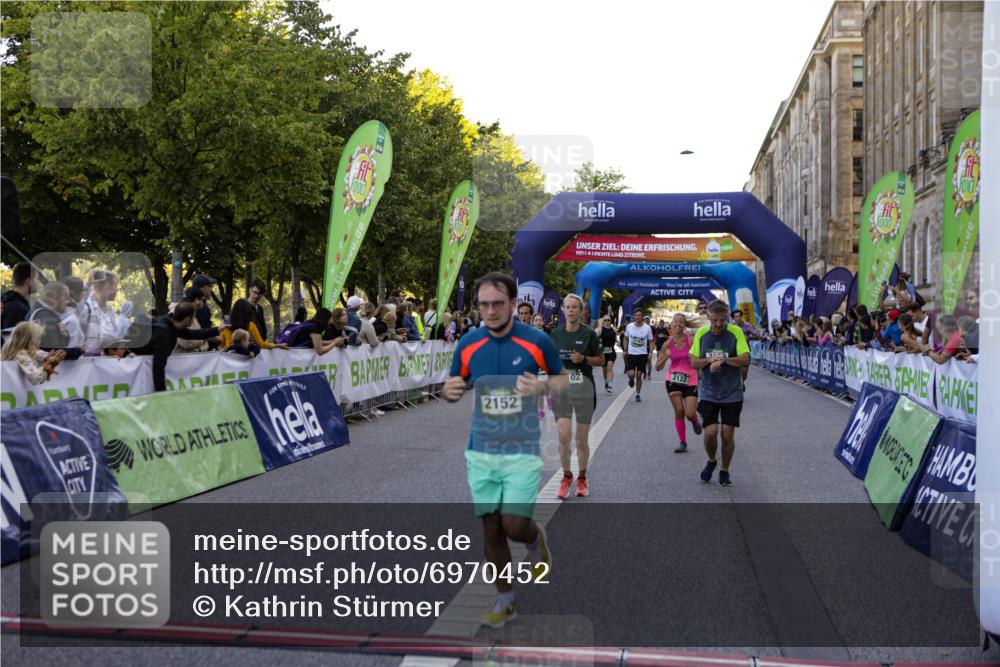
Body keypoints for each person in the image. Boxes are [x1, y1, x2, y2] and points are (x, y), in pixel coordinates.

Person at [441, 272, 566, 629]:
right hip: (480, 449)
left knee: (513, 525)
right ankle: (506, 600)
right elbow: (458, 381)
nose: (491, 311)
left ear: (513, 304)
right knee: (491, 529)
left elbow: (561, 380)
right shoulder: (468, 343)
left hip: (522, 447)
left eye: (498, 303)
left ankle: (533, 538)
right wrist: (451, 390)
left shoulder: (536, 340)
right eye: (484, 304)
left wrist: (541, 385)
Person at [689, 300, 750, 487]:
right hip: (708, 391)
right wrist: (708, 361)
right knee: (710, 432)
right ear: (708, 317)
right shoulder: (701, 333)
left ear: (727, 318)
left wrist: (723, 360)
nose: (718, 325)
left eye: (722, 320)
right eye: (714, 320)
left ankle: (724, 469)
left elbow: (745, 359)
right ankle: (711, 460)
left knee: (727, 434)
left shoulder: (736, 332)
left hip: (732, 392)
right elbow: (693, 362)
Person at [549, 293, 603, 499]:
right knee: (563, 436)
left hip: (584, 391)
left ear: (581, 311)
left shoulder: (589, 334)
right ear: (563, 310)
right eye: (568, 307)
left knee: (581, 440)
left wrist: (583, 359)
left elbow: (601, 360)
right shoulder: (555, 334)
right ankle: (566, 476)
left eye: (574, 307)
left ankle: (582, 478)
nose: (571, 311)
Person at [132, 302, 223, 391]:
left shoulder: (171, 323)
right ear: (188, 319)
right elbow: (158, 367)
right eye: (194, 317)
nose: (194, 320)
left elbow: (194, 334)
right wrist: (161, 394)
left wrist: (217, 330)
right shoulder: (164, 335)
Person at [656, 313, 702, 453]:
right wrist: (666, 357)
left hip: (691, 379)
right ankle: (683, 442)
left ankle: (694, 420)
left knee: (689, 413)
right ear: (671, 324)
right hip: (673, 379)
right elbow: (658, 367)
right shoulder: (666, 344)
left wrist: (699, 376)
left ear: (684, 325)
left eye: (681, 322)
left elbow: (698, 362)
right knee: (679, 411)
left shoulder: (692, 341)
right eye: (675, 322)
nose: (678, 324)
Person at [27, 281, 83, 359]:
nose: (68, 302)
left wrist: (65, 336)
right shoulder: (46, 316)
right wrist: (79, 350)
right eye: (66, 298)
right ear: (56, 297)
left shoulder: (36, 311)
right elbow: (53, 351)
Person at [80, 270, 122, 355]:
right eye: (115, 286)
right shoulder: (85, 308)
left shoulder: (111, 311)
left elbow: (116, 338)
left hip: (109, 364)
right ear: (106, 286)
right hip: (87, 365)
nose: (117, 290)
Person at [221, 299, 287, 351]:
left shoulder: (226, 327)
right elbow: (261, 344)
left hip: (228, 361)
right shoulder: (250, 326)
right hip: (245, 361)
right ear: (248, 311)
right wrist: (277, 345)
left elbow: (221, 344)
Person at [623, 308, 654, 402]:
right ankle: (631, 379)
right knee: (631, 374)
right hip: (632, 354)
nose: (638, 317)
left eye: (640, 315)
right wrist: (625, 349)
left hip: (642, 354)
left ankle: (637, 394)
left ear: (642, 317)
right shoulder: (629, 326)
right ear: (634, 316)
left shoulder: (647, 328)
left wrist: (650, 352)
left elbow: (651, 341)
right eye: (636, 315)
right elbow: (625, 338)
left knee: (639, 375)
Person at [2, 262, 35, 333]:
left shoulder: (16, 304)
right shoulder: (16, 307)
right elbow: (11, 339)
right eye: (37, 279)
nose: (38, 283)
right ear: (28, 281)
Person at [594, 317, 617, 393]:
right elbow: (592, 336)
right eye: (605, 320)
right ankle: (606, 381)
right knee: (604, 370)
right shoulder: (600, 330)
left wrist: (618, 342)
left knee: (609, 367)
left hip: (611, 351)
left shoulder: (613, 330)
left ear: (610, 321)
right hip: (602, 352)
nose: (607, 321)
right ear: (603, 321)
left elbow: (615, 339)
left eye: (608, 320)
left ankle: (610, 385)